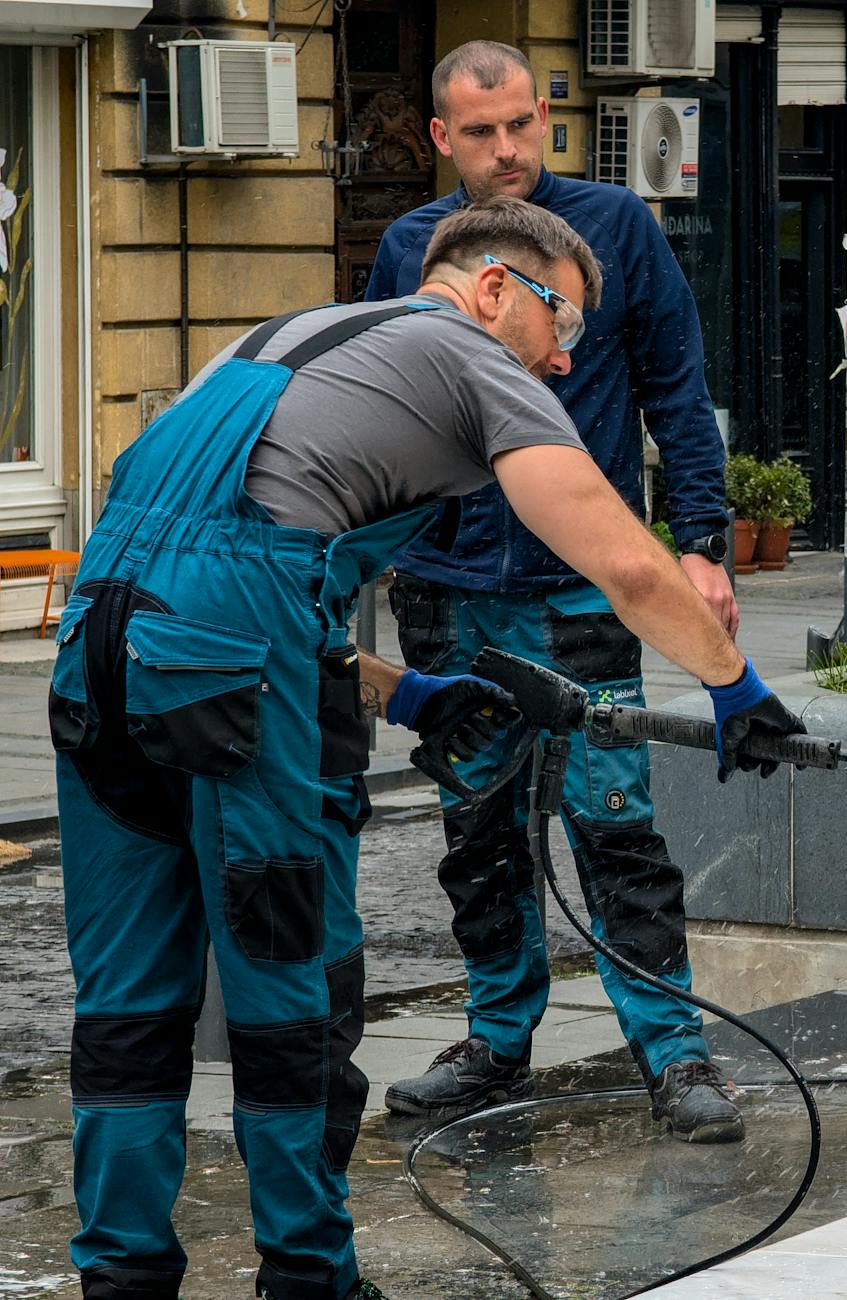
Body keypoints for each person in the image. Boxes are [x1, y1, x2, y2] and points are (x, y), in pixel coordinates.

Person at [50, 195, 802, 1300]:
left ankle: (120, 1279)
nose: (562, 360)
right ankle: (310, 1277)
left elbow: (195, 572)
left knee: (127, 999)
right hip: (230, 677)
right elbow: (630, 568)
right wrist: (739, 690)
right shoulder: (466, 354)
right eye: (567, 327)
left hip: (97, 652)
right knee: (290, 990)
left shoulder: (267, 347)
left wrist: (403, 693)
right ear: (496, 288)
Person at [365, 41, 745, 1141]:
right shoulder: (410, 248)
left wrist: (704, 542)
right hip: (445, 592)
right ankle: (495, 1041)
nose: (507, 149)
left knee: (614, 826)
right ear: (442, 138)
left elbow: (677, 384)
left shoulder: (614, 232)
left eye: (522, 124)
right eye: (480, 133)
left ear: (547, 118)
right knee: (476, 834)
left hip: (582, 590)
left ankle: (673, 1056)